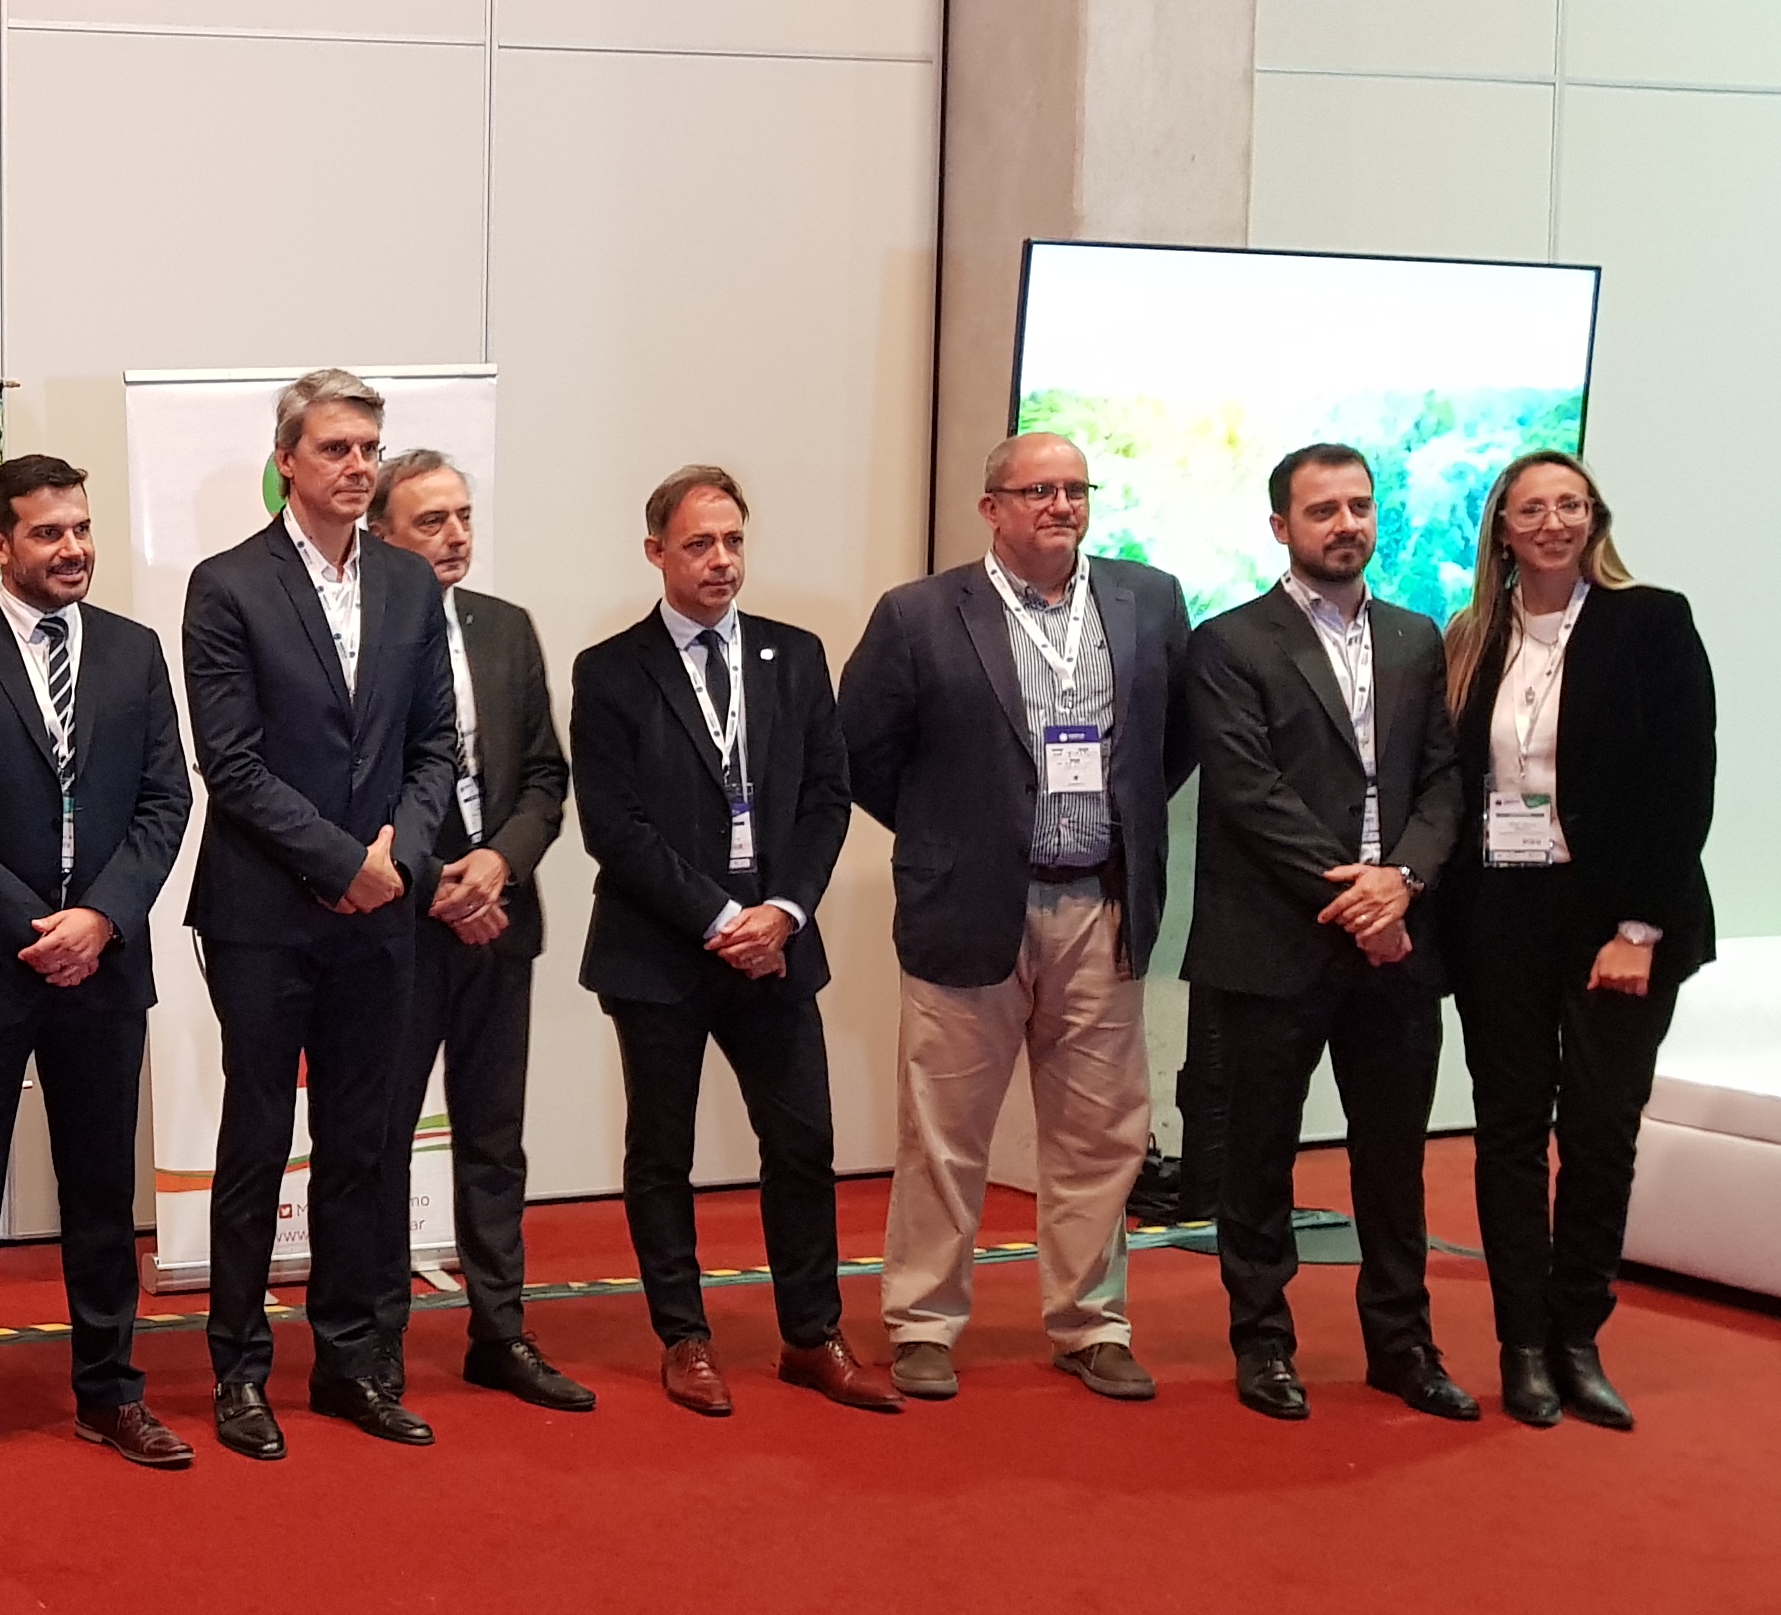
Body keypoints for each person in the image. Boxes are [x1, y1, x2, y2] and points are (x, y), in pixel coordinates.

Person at [838, 432, 1193, 1403]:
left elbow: (1170, 746)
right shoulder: (919, 614)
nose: (1061, 506)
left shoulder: (1150, 599)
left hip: (1099, 904)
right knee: (943, 1134)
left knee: (1099, 1135)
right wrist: (952, 834)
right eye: (1038, 491)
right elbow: (861, 751)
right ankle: (923, 1321)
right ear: (991, 507)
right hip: (968, 904)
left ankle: (1092, 1324)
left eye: (1075, 488)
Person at [0, 454, 196, 1490]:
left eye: (82, 529)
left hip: (103, 967)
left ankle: (111, 1392)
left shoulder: (134, 651)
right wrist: (36, 928)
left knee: (102, 1196)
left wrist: (100, 919)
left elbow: (166, 801)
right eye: (48, 533)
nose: (73, 549)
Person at [571, 466, 897, 1417]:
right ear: (656, 553)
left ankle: (812, 1335)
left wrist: (784, 910)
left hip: (777, 945)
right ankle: (685, 1338)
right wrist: (719, 919)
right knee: (661, 1152)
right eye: (699, 544)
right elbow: (614, 826)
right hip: (662, 950)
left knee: (802, 1144)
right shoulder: (611, 669)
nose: (721, 561)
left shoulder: (794, 656)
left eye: (733, 541)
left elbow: (828, 797)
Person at [181, 369, 455, 1459]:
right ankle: (239, 1370)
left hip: (381, 910)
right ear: (287, 459)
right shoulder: (227, 584)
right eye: (337, 448)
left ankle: (350, 1361)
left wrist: (398, 860)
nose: (358, 466)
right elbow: (231, 762)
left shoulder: (408, 582)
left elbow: (433, 746)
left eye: (370, 449)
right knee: (257, 1139)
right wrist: (343, 863)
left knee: (363, 1144)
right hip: (264, 913)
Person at [1425, 451, 1716, 1429]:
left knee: (1598, 1133)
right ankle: (1521, 1346)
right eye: (1532, 509)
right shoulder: (1471, 637)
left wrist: (1640, 927)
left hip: (1618, 921)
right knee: (1508, 1131)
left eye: (1571, 505)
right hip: (1501, 914)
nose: (1553, 522)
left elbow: (1684, 783)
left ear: (1595, 518)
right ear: (1502, 531)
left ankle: (1577, 1338)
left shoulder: (1651, 621)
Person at [1184, 442, 1472, 1423]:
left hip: (1400, 942)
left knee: (1393, 1161)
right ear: (1281, 528)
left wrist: (1405, 882)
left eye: (1359, 506)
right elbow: (1249, 793)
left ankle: (1402, 1345)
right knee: (1258, 1158)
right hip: (1275, 943)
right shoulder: (1229, 642)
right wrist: (1361, 901)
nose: (1346, 525)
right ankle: (1264, 1342)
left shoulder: (1416, 636)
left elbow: (1443, 779)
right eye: (1322, 510)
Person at [366, 448, 588, 1414]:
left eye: (462, 515)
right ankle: (376, 1339)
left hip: (501, 917)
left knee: (495, 1139)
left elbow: (543, 774)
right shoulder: (361, 641)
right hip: (399, 926)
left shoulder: (503, 627)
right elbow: (358, 794)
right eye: (431, 521)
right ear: (381, 535)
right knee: (379, 1141)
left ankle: (501, 1330)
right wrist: (437, 884)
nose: (456, 535)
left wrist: (499, 863)